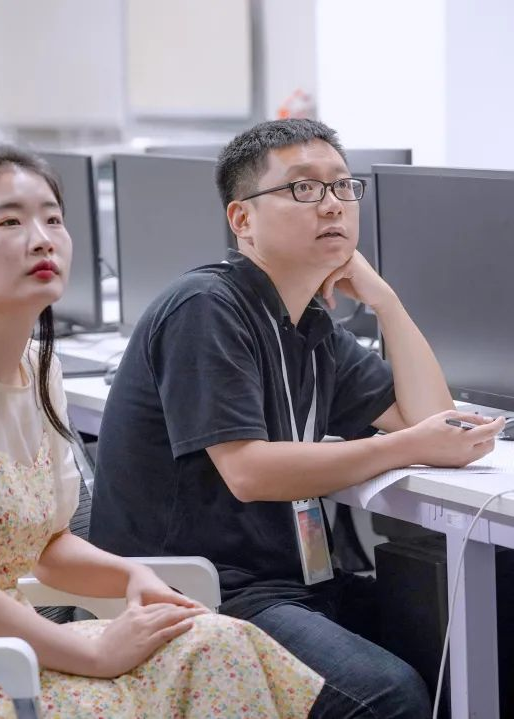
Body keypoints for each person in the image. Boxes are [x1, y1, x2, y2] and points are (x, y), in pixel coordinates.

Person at [0, 145, 325, 718]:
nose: (41, 239)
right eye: (9, 222)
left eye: (53, 219)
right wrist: (91, 653)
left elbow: (48, 547)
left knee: (220, 644)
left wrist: (132, 577)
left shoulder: (38, 367)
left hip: (10, 644)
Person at [89, 119, 506, 717]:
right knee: (387, 695)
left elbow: (435, 421)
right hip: (195, 595)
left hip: (288, 584)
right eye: (304, 188)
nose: (332, 204)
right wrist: (407, 446)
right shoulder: (206, 308)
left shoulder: (310, 328)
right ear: (242, 219)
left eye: (342, 186)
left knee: (465, 647)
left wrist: (385, 301)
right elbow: (250, 472)